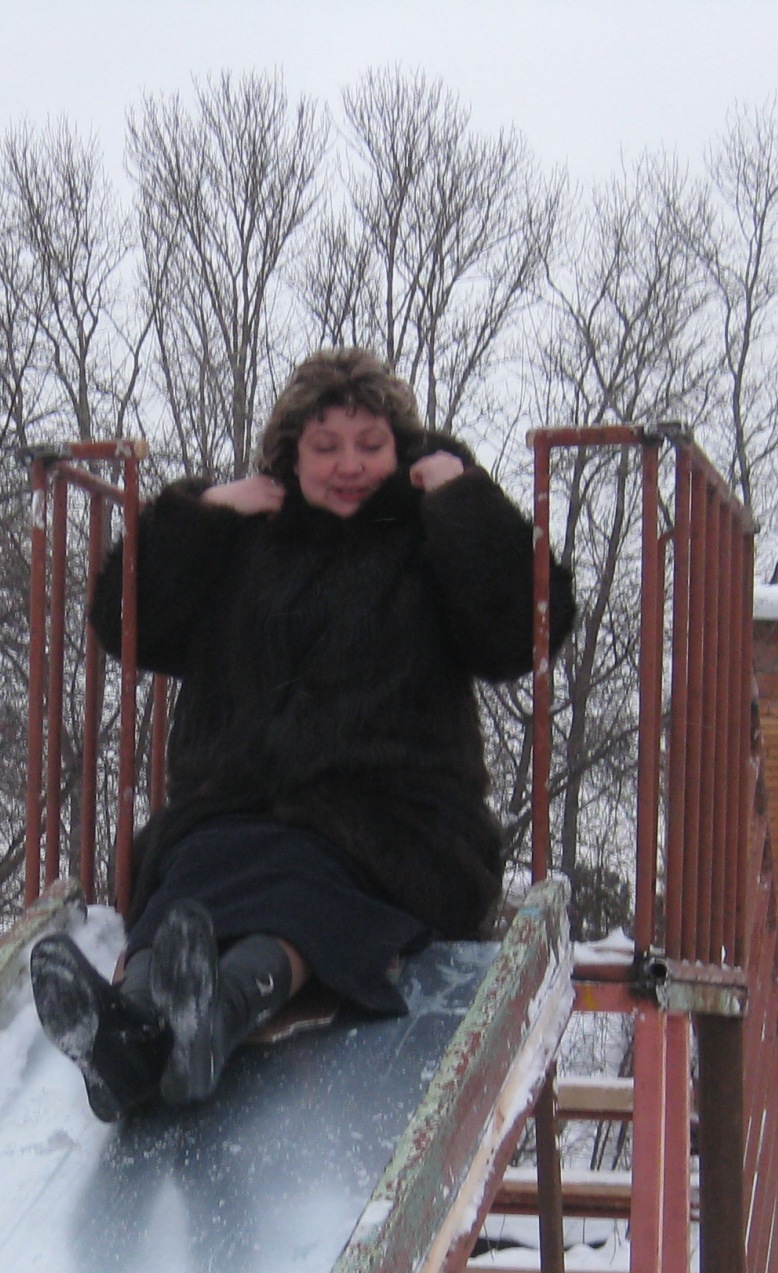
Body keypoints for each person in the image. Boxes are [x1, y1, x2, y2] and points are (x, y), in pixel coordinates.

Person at [31, 348, 574, 1121]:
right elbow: (126, 622)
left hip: (394, 824)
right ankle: (129, 1034)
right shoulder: (245, 542)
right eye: (325, 448)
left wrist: (462, 498)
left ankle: (215, 1015)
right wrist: (204, 513)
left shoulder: (428, 541)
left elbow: (523, 632)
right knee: (189, 879)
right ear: (292, 455)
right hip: (232, 808)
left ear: (403, 451)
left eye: (370, 445)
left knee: (298, 884)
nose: (348, 465)